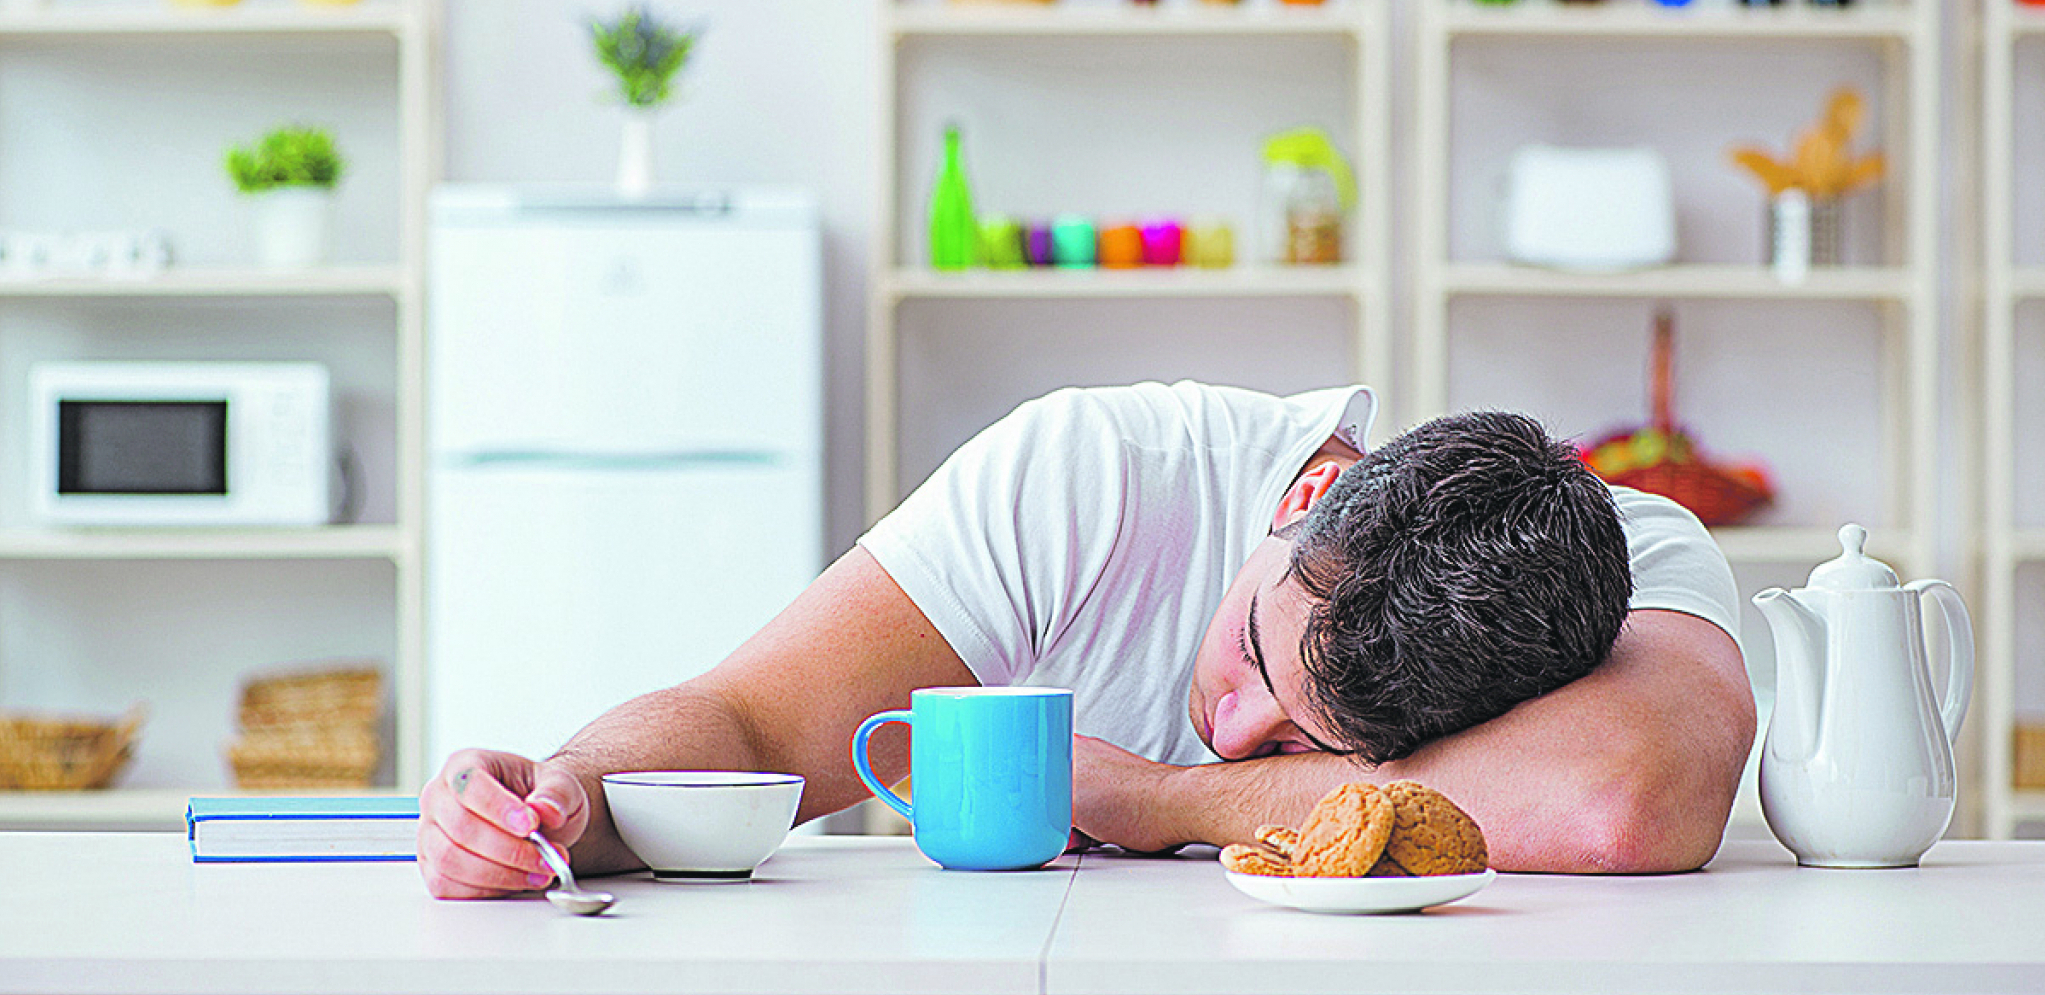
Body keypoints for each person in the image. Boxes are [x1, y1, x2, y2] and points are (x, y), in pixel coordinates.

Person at [417, 381, 1754, 899]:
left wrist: (1166, 797)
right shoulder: (1100, 472)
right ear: (1299, 502)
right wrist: (563, 793)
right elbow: (757, 727)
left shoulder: (1625, 558)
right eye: (1250, 653)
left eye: (1307, 743)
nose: (1234, 724)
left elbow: (1613, 805)